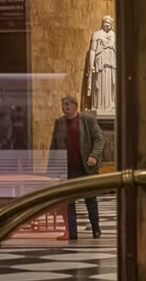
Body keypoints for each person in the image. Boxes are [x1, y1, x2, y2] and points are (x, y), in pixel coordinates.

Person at [50, 94, 105, 240]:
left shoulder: (87, 120)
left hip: (85, 167)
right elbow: (54, 146)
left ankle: (96, 229)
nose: (65, 108)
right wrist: (52, 169)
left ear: (75, 106)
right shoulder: (59, 123)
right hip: (68, 168)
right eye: (63, 105)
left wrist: (94, 155)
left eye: (68, 105)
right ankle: (72, 233)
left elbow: (99, 139)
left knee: (90, 199)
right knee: (69, 201)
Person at [83, 15, 117, 115]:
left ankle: (111, 105)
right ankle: (99, 106)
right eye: (106, 23)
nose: (108, 25)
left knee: (112, 85)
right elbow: (93, 51)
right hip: (99, 66)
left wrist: (111, 45)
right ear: (102, 23)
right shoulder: (96, 35)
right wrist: (91, 66)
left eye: (110, 23)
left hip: (111, 66)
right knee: (99, 86)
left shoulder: (114, 36)